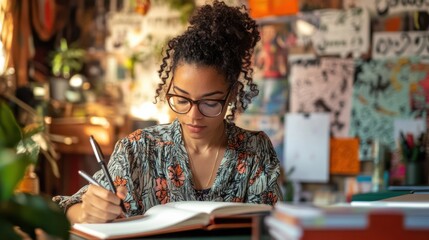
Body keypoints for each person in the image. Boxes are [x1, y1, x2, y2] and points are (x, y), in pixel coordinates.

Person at [53, 0, 283, 224]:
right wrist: (85, 212)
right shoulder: (137, 150)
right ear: (170, 87)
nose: (193, 116)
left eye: (210, 103)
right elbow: (64, 208)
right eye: (181, 99)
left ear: (232, 94)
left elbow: (270, 227)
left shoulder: (255, 152)